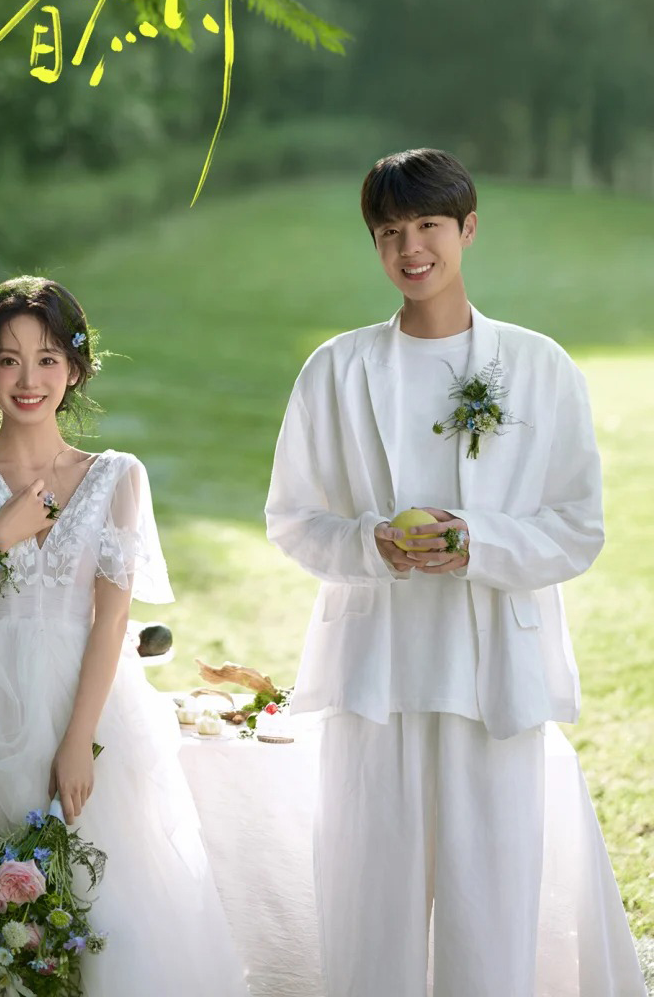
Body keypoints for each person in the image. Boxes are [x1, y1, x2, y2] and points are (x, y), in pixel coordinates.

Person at [265, 148, 645, 997]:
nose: (411, 248)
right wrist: (372, 543)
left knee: (492, 905)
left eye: (429, 225)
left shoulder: (540, 367)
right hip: (375, 672)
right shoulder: (336, 369)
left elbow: (577, 529)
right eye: (390, 232)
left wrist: (477, 542)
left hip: (493, 674)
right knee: (369, 900)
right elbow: (291, 519)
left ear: (468, 229)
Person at [0, 275, 248, 996]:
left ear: (76, 368)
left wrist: (77, 741)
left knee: (103, 909)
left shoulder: (116, 476)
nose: (28, 381)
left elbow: (111, 620)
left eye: (48, 359)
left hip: (87, 709)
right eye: (8, 360)